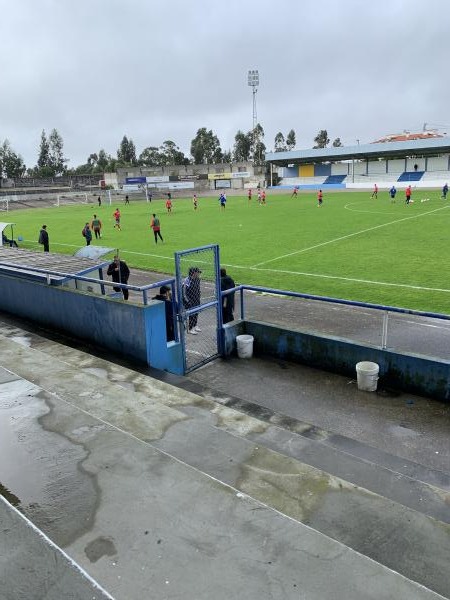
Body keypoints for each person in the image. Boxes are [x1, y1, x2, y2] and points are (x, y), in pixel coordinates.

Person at [183, 267, 201, 334]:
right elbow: (184, 292)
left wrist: (199, 296)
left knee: (196, 312)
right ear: (194, 273)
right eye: (198, 272)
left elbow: (198, 289)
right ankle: (190, 328)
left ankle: (195, 325)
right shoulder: (187, 280)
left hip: (196, 299)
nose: (199, 274)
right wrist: (188, 301)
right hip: (190, 300)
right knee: (191, 314)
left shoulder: (198, 279)